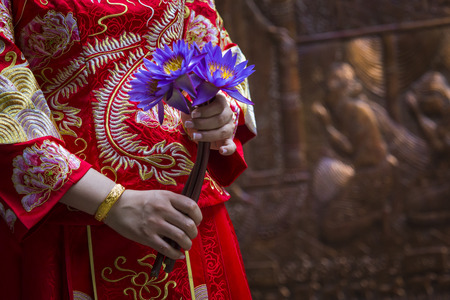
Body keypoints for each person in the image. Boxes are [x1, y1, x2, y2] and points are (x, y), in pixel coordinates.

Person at [0, 1, 257, 299]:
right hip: (69, 213)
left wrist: (220, 110)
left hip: (186, 206)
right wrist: (111, 202)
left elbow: (210, 45)